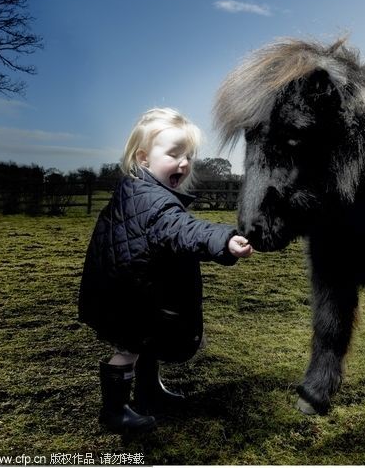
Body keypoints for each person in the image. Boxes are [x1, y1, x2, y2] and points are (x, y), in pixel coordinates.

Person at [78, 108, 253, 433]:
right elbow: (183, 229)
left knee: (147, 342)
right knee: (128, 350)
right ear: (143, 159)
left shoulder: (134, 189)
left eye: (188, 155)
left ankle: (150, 392)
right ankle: (114, 412)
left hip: (127, 286)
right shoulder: (154, 203)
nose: (184, 163)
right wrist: (225, 240)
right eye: (174, 154)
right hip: (129, 295)